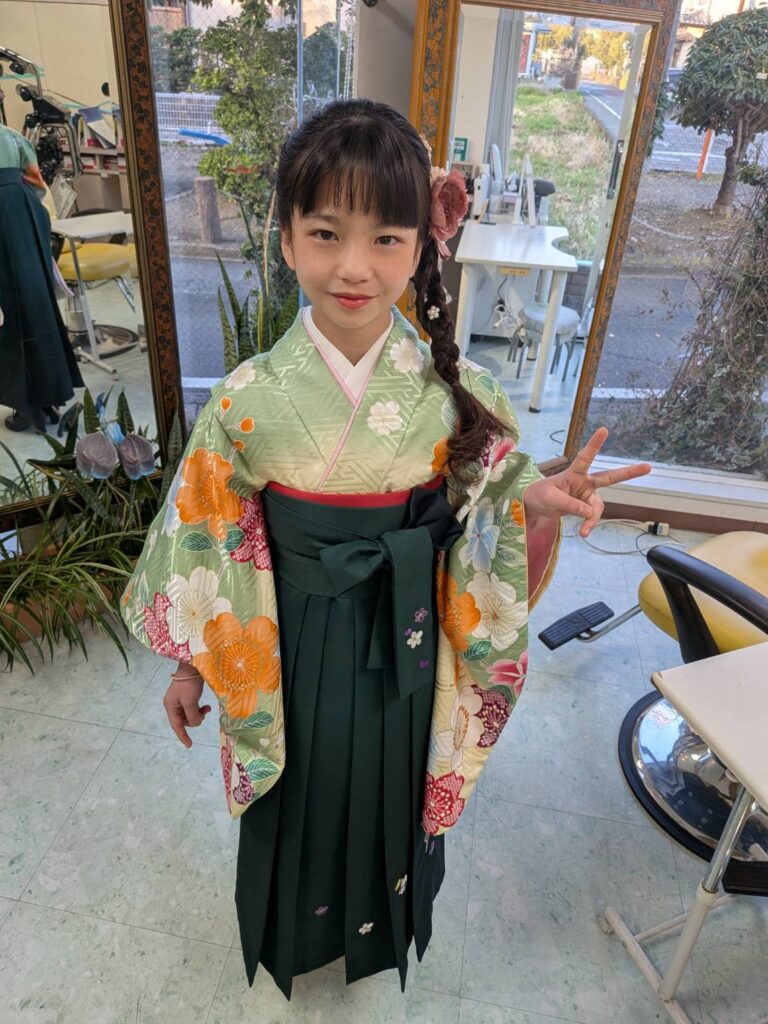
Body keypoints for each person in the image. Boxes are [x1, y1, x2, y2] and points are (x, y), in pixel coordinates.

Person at [119, 98, 650, 1000]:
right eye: (326, 234)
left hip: (413, 643)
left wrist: (535, 496)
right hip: (288, 643)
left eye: (386, 239)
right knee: (302, 790)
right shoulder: (247, 399)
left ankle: (382, 923)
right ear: (286, 239)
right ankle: (294, 931)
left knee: (391, 790)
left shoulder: (456, 392)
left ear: (420, 249)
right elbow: (209, 541)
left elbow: (489, 495)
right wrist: (190, 666)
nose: (354, 267)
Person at [0, 124, 83, 433]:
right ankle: (48, 398)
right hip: (26, 212)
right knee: (37, 306)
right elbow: (36, 183)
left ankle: (28, 405)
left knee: (12, 312)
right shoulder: (12, 136)